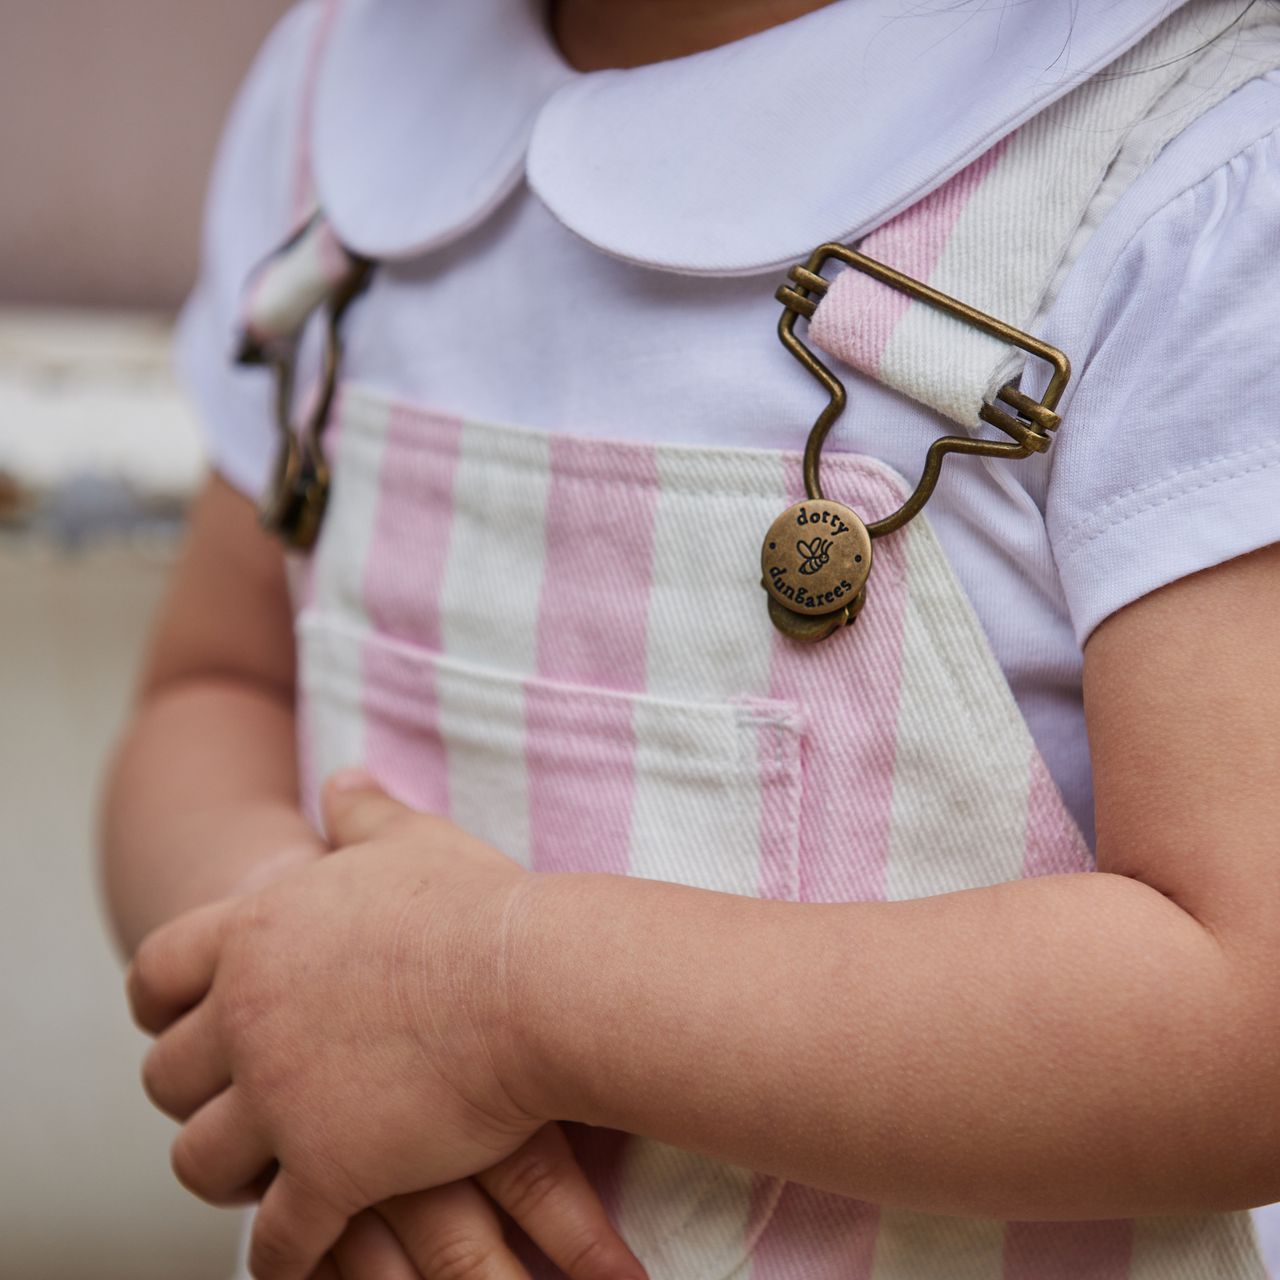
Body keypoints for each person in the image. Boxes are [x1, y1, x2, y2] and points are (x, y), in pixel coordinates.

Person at [103, 1, 1280, 1277]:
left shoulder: (1196, 175)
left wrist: (506, 999)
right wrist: (303, 973)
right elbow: (217, 684)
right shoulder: (340, 101)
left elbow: (1246, 1006)